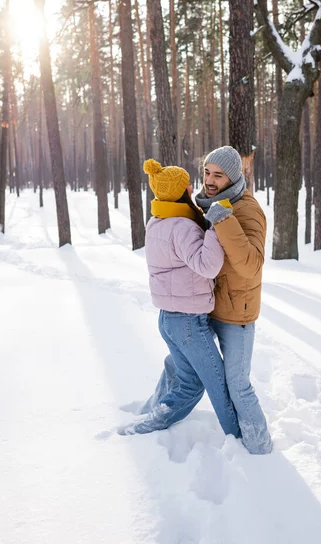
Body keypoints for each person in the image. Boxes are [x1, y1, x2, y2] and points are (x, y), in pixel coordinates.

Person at [138, 146, 272, 455]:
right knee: (177, 364)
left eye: (218, 175)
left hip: (236, 314)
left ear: (234, 177)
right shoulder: (206, 203)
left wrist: (223, 222)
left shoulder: (248, 210)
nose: (209, 181)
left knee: (236, 383)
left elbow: (251, 264)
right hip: (205, 306)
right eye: (206, 173)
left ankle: (260, 449)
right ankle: (151, 409)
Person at [118, 158, 240, 438]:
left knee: (186, 379)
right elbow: (207, 266)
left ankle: (149, 419)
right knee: (211, 384)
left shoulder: (157, 222)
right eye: (189, 184)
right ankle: (239, 439)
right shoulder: (183, 227)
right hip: (187, 323)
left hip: (169, 319)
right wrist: (214, 227)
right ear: (183, 190)